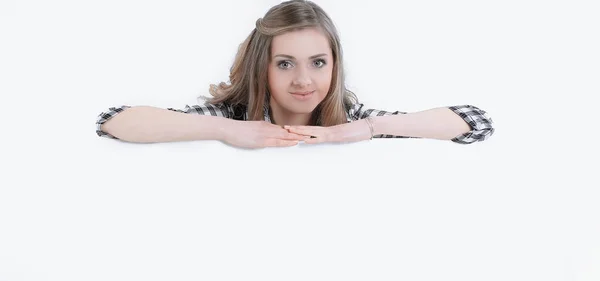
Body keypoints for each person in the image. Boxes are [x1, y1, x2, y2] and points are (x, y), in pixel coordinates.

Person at [96, 0, 494, 149]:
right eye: (285, 63)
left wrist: (364, 129)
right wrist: (226, 131)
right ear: (262, 67)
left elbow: (475, 122)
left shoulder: (349, 121)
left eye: (317, 62)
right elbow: (113, 121)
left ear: (334, 65)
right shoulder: (233, 117)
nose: (304, 80)